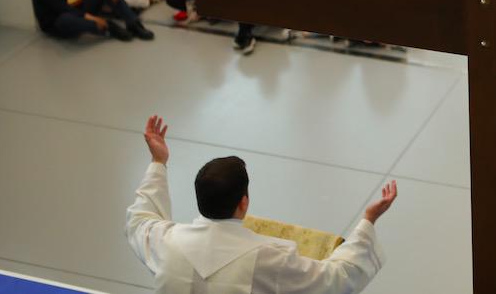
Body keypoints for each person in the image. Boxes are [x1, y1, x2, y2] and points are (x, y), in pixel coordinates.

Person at [127, 115, 396, 293]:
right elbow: (334, 280)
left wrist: (158, 162)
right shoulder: (269, 256)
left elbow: (139, 221)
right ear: (243, 202)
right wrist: (367, 223)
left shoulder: (168, 241)